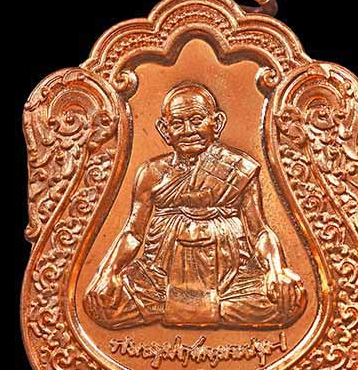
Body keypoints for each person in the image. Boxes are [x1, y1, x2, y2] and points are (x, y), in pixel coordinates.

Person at [83, 82, 306, 329]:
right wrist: (108, 271)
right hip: (159, 279)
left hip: (230, 280)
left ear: (216, 123)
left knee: (290, 300)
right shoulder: (151, 173)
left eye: (197, 120)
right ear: (164, 130)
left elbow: (259, 231)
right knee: (100, 304)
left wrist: (277, 268)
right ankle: (207, 309)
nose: (188, 130)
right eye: (177, 123)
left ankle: (175, 309)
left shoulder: (239, 168)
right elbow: (133, 233)